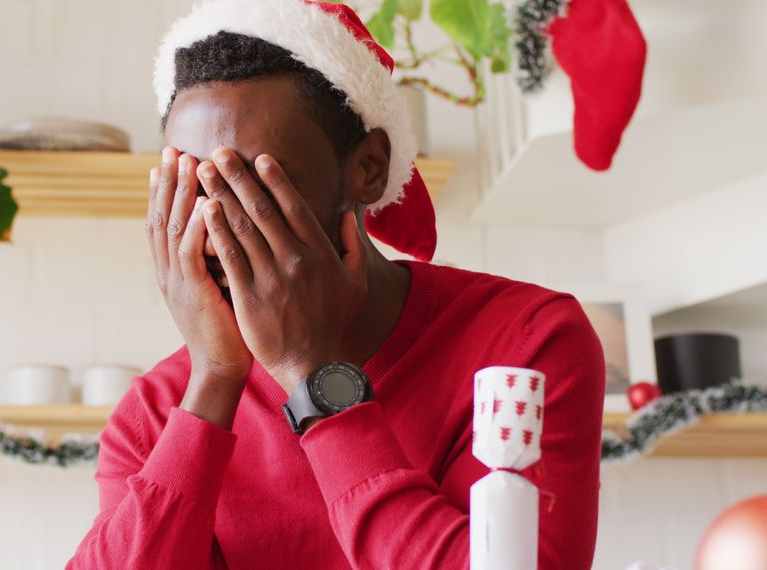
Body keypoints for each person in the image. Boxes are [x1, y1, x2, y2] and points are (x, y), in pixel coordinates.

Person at [69, 1, 604, 568]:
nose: (221, 224)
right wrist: (214, 381)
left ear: (369, 168)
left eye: (253, 185)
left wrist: (314, 375)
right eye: (194, 188)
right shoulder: (157, 410)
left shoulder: (526, 342)